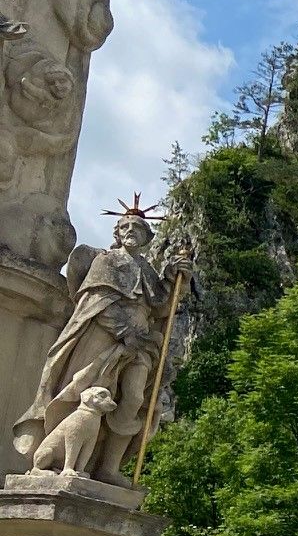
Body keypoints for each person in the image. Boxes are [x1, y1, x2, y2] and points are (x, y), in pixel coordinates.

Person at [12, 207, 186, 484]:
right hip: (103, 338)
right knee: (85, 391)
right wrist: (125, 331)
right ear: (117, 233)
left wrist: (175, 279)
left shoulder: (147, 271)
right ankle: (60, 459)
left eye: (137, 228)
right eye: (125, 227)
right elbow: (95, 303)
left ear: (147, 238)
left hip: (141, 343)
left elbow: (161, 307)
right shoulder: (106, 262)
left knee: (134, 399)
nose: (131, 231)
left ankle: (109, 468)